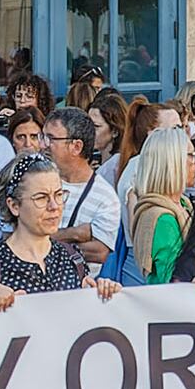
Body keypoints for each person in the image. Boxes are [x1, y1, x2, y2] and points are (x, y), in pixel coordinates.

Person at [0, 154, 109, 302]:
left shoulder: (72, 256)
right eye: (41, 198)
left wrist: (107, 295)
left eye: (58, 195)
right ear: (14, 206)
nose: (54, 206)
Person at [44, 107, 125, 270]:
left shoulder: (106, 197)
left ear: (76, 146)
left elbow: (98, 252)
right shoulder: (35, 180)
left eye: (51, 139)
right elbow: (18, 236)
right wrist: (75, 233)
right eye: (43, 137)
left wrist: (43, 239)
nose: (42, 144)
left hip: (78, 284)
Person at [113, 127, 195, 284]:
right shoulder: (162, 219)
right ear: (173, 162)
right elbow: (172, 278)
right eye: (191, 155)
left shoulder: (183, 204)